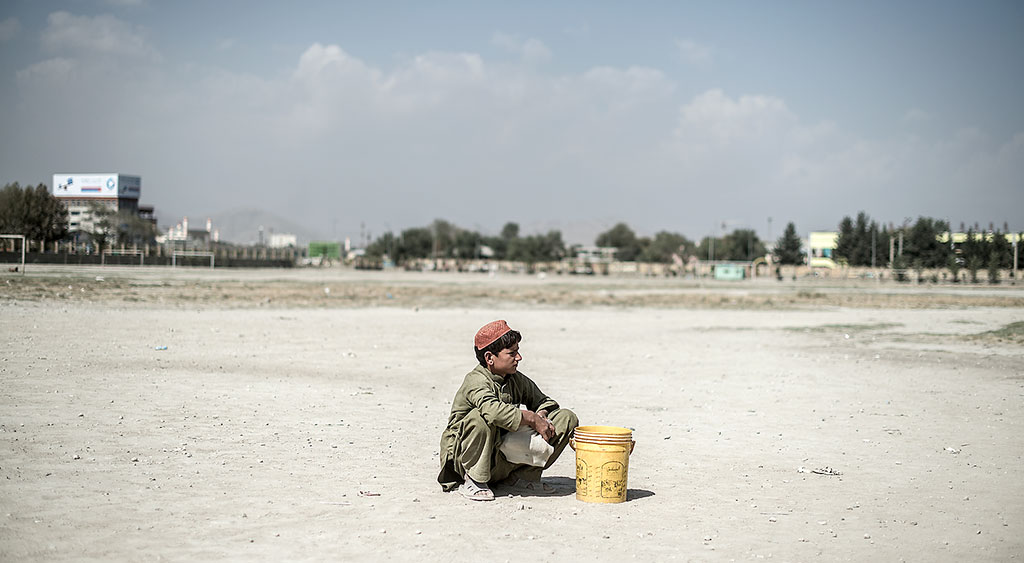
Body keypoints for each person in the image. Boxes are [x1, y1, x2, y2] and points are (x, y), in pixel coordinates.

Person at [437, 320, 578, 501]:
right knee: (480, 418)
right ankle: (474, 481)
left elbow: (545, 402)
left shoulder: (515, 379)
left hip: (501, 459)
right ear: (489, 358)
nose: (519, 357)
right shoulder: (476, 381)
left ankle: (522, 478)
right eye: (512, 353)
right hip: (466, 461)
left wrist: (542, 416)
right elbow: (493, 411)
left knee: (566, 418)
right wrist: (530, 418)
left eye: (518, 351)